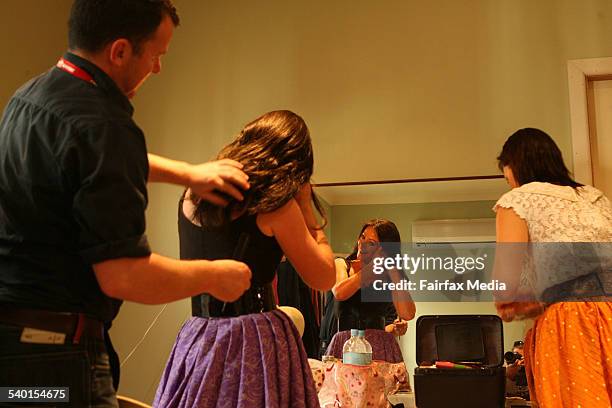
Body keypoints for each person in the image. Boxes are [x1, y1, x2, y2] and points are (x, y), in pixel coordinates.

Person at [0, 1, 253, 407]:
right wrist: (212, 275)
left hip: (14, 354)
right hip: (57, 360)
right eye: (157, 54)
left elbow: (89, 160)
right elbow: (125, 276)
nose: (157, 69)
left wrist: (188, 173)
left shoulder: (30, 99)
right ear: (119, 51)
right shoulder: (105, 124)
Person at [153, 110, 336, 408]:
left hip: (198, 333)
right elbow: (324, 276)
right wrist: (305, 207)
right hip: (256, 338)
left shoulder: (192, 195)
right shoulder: (276, 205)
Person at [493, 128, 612, 407]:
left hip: (569, 323)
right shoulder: (594, 197)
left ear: (512, 165)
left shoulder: (517, 200)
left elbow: (505, 288)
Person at [324, 219, 416, 363]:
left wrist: (392, 268)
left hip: (378, 346)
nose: (362, 244)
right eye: (362, 237)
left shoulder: (389, 275)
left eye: (371, 243)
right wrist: (368, 271)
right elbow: (339, 292)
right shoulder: (342, 264)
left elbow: (407, 313)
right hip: (346, 345)